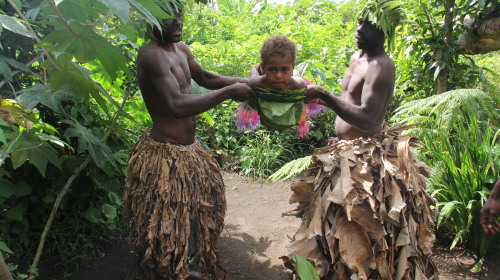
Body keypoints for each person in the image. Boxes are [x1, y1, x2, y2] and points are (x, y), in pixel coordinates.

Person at [283, 14, 438, 280]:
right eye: (359, 23)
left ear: (386, 32)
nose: (360, 30)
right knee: (332, 233)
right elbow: (350, 102)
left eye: (370, 26)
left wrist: (324, 96)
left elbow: (366, 120)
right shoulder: (359, 59)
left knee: (363, 235)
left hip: (365, 163)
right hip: (342, 155)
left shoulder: (380, 65)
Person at [123, 5, 255, 280]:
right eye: (168, 17)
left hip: (191, 151)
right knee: (165, 223)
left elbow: (206, 78)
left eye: (179, 15)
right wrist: (231, 92)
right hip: (165, 156)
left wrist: (252, 83)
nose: (177, 22)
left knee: (201, 213)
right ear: (151, 18)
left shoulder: (180, 49)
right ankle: (164, 271)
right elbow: (176, 105)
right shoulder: (152, 56)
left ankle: (184, 267)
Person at [235, 35, 324, 136]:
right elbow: (253, 76)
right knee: (245, 81)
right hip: (262, 81)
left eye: (285, 70)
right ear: (264, 69)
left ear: (292, 68)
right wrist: (256, 69)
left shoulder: (298, 83)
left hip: (293, 80)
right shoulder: (257, 82)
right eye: (272, 70)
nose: (278, 76)